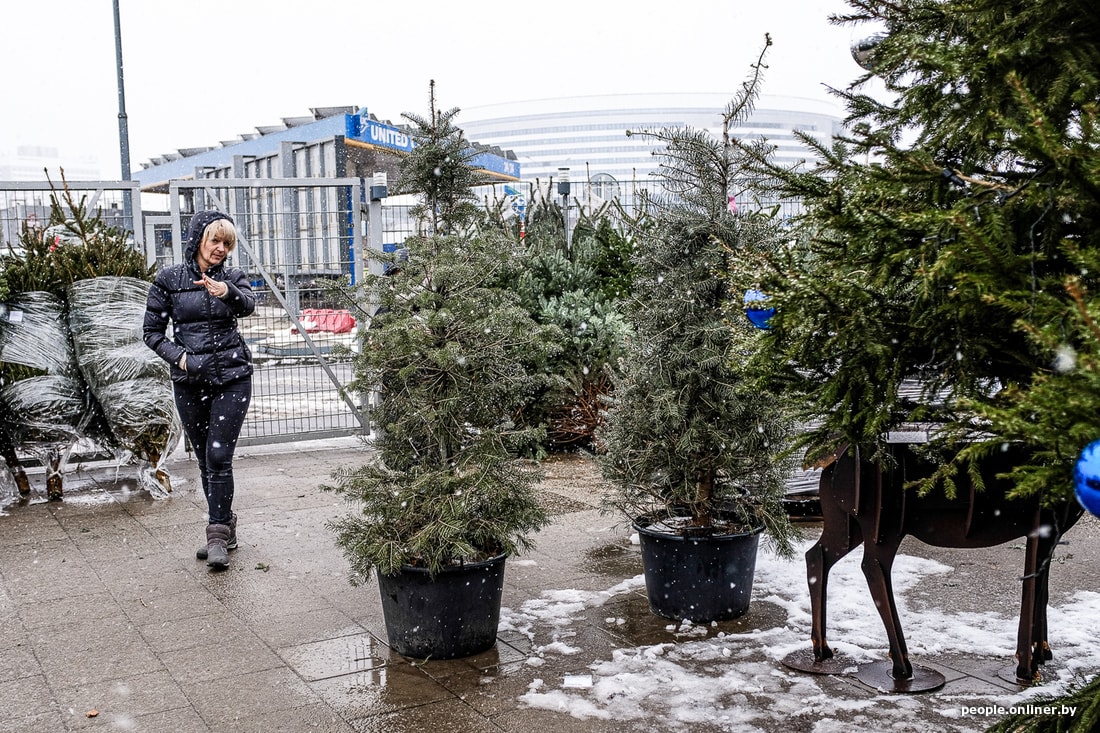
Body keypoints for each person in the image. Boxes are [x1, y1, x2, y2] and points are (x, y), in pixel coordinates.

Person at [143, 210, 255, 569]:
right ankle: (225, 526)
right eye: (215, 241)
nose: (221, 249)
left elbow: (249, 306)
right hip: (191, 382)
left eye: (227, 243)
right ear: (197, 241)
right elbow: (152, 333)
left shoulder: (233, 277)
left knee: (219, 456)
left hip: (232, 378)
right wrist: (183, 361)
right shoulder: (169, 280)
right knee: (207, 460)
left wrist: (229, 292)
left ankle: (216, 534)